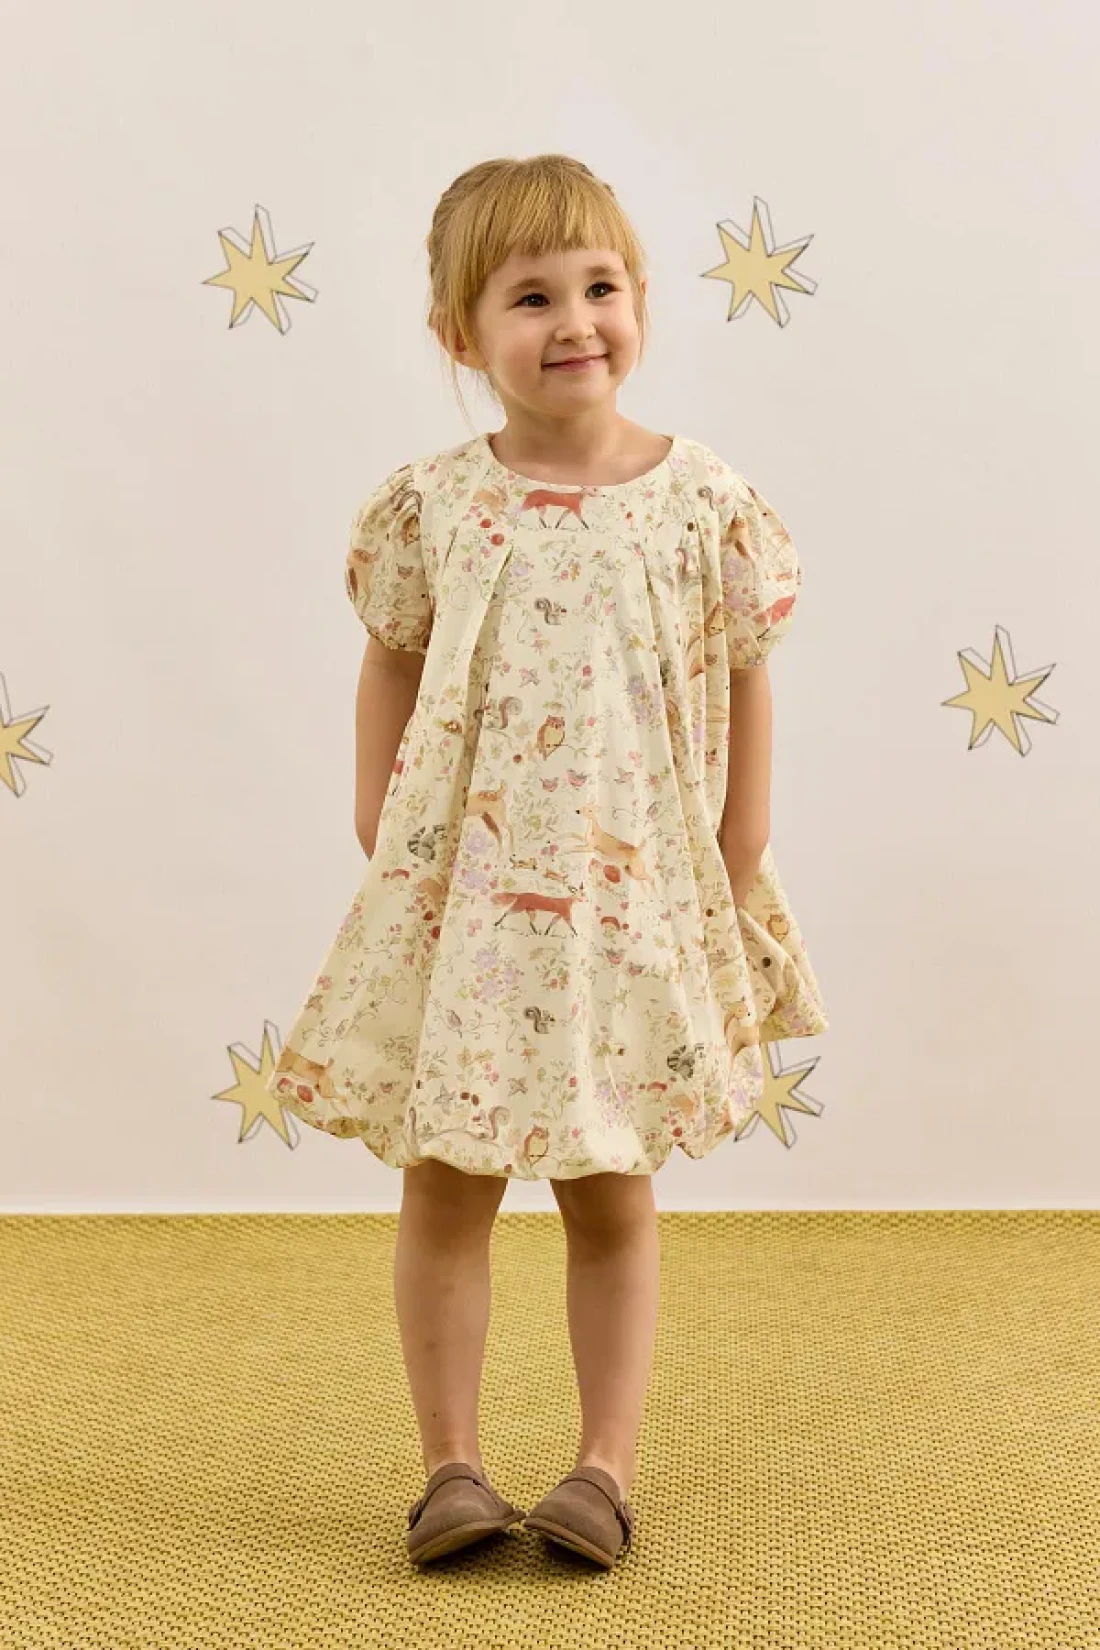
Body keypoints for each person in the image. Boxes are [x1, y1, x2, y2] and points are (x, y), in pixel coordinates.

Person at [267, 153, 828, 1569]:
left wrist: (741, 840)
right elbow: (390, 655)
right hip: (468, 903)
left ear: (639, 300)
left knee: (610, 1184)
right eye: (530, 298)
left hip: (631, 904)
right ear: (460, 336)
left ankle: (602, 1467)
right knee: (447, 1180)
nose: (575, 322)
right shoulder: (436, 505)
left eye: (600, 287)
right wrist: (381, 815)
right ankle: (448, 1466)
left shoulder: (700, 501)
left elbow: (746, 668)